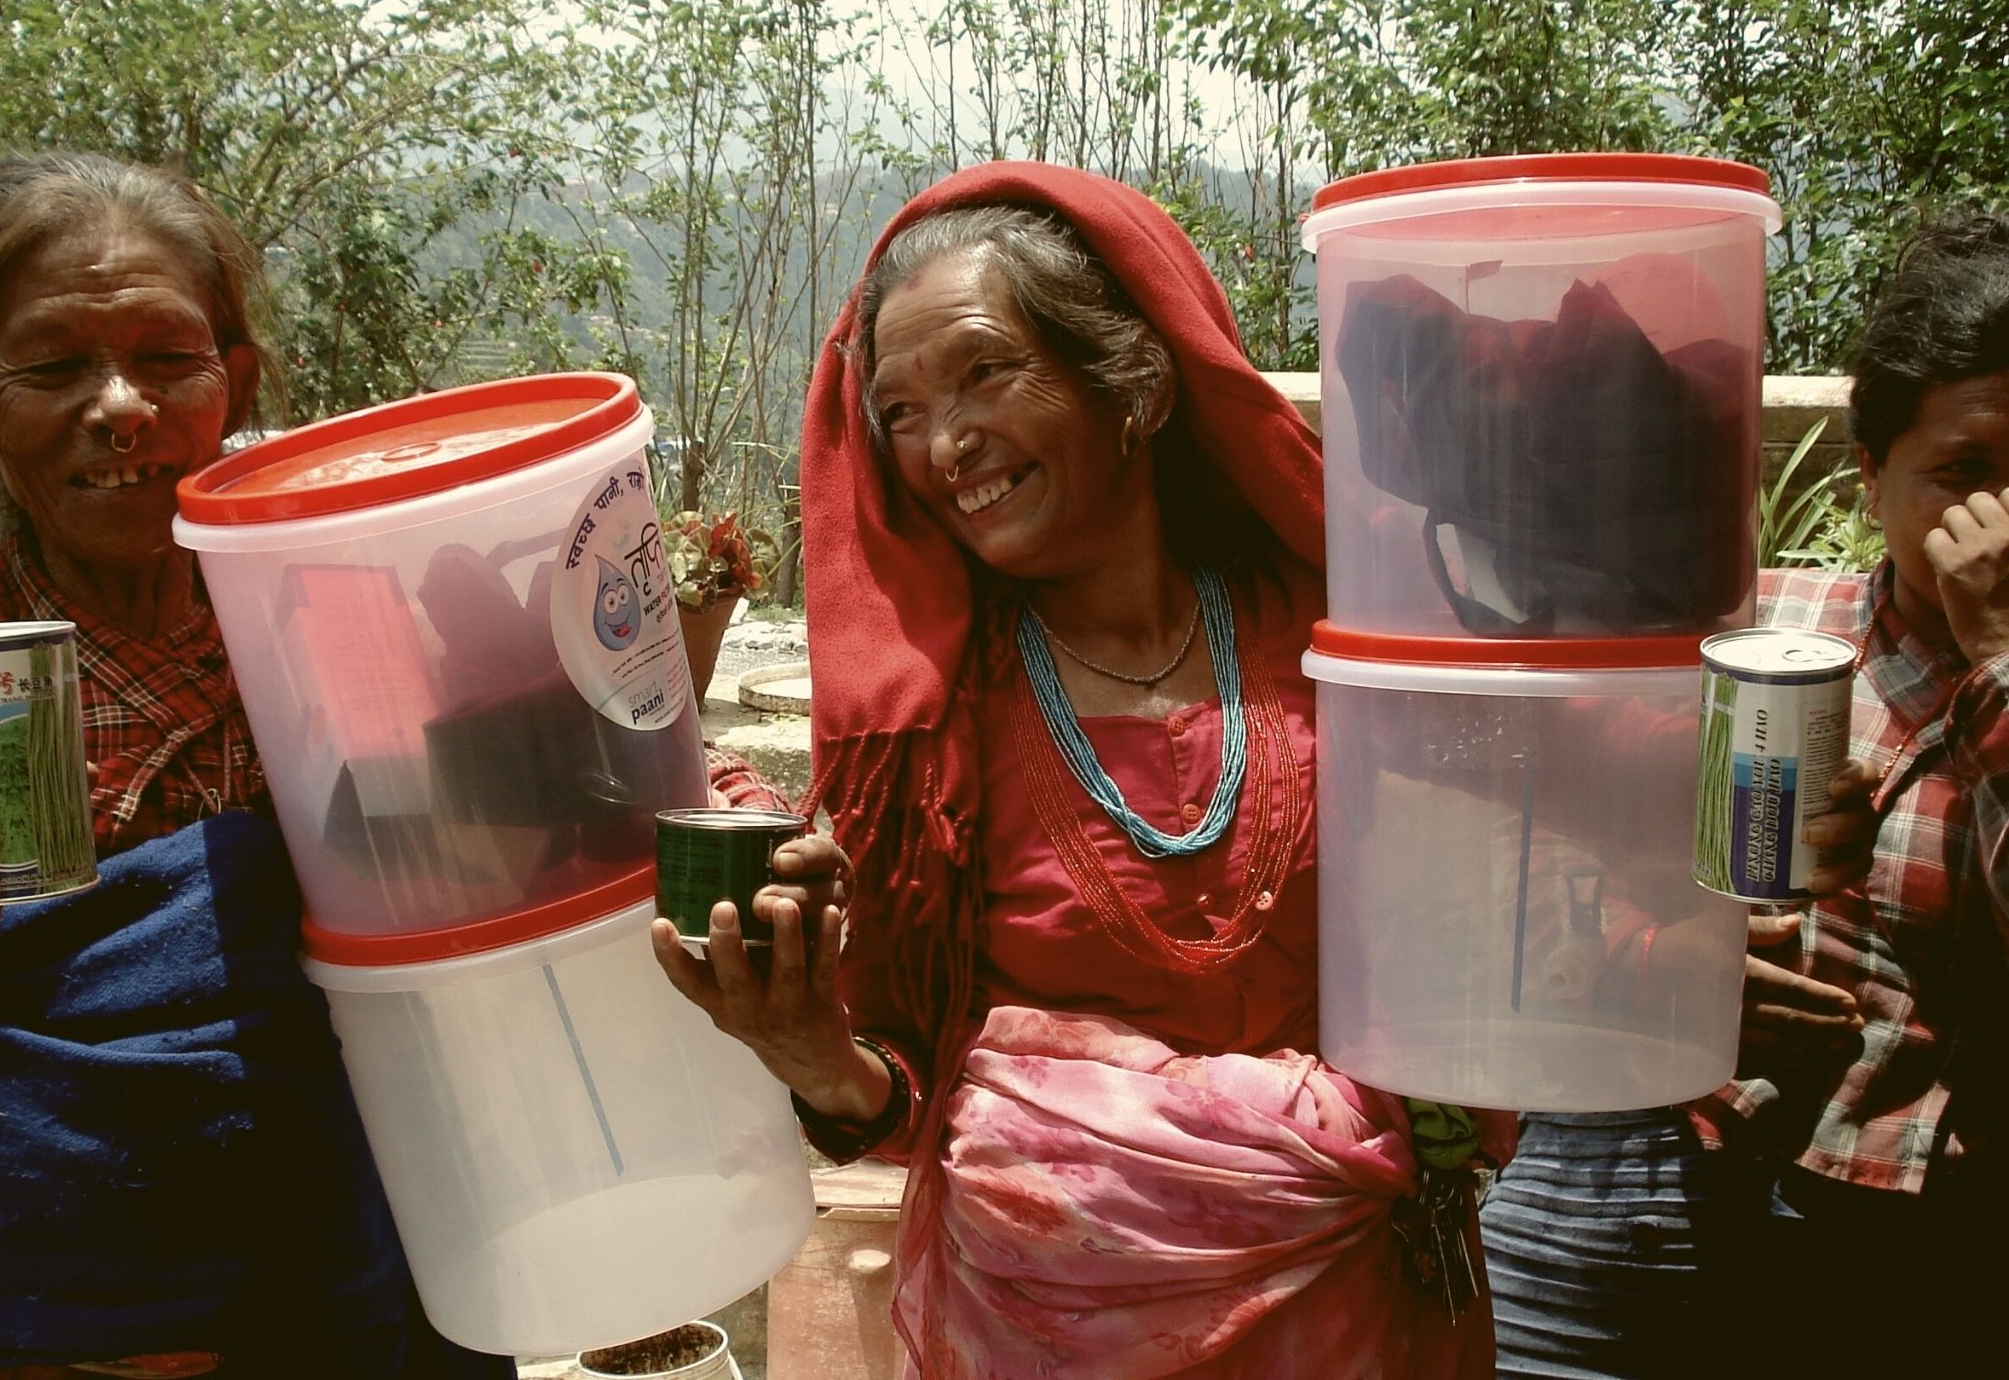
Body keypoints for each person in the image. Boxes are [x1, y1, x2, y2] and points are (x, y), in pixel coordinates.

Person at [651, 162, 1494, 1377]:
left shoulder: (1338, 647)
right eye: (898, 411)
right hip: (1041, 1339)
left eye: (987, 371)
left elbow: (1481, 982)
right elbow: (900, 1085)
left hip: (1364, 1323)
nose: (946, 444)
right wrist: (810, 1055)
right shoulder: (929, 746)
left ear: (1135, 380)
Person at [0, 153, 509, 1380]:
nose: (121, 407)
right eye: (51, 367)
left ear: (232, 381)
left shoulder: (328, 600)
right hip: (12, 1322)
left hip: (325, 1306)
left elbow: (525, 832)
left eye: (167, 359)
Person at [1479, 212, 2009, 1375]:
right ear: (1871, 477)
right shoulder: (1755, 629)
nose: (1999, 523)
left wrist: (1998, 663)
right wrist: (1654, 961)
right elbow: (1534, 843)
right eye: (1963, 474)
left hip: (1902, 1255)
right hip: (1635, 1184)